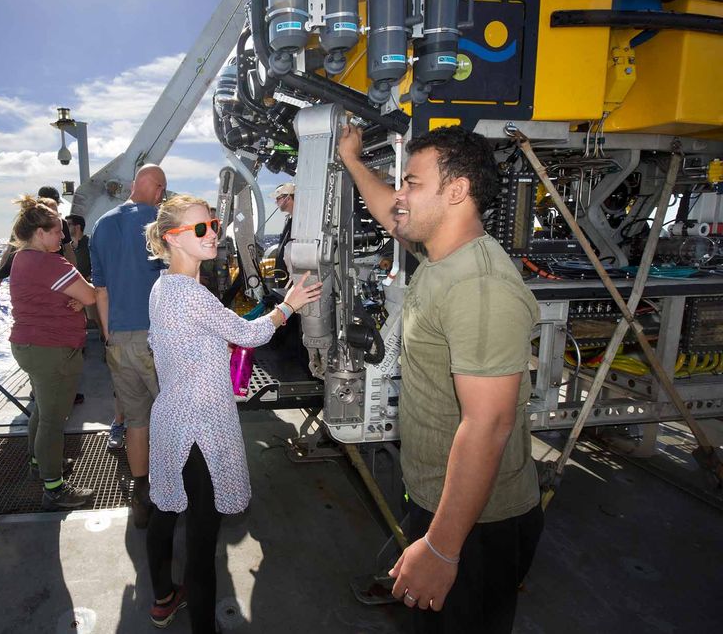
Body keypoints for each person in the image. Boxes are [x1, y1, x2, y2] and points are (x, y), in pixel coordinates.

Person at [338, 123, 543, 633]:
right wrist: (354, 161)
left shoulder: (480, 287)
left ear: (456, 192)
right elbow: (393, 214)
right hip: (442, 504)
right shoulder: (441, 258)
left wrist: (442, 547)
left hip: (477, 524)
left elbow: (488, 424)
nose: (400, 195)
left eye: (412, 183)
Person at [143, 194, 321, 632]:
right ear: (173, 239)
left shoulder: (162, 286)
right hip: (201, 428)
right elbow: (250, 333)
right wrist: (290, 305)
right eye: (201, 228)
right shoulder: (191, 294)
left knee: (165, 513)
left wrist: (205, 350)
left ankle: (163, 597)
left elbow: (163, 342)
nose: (213, 233)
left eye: (214, 223)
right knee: (203, 544)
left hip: (171, 418)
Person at [6, 195, 97, 510]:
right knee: (53, 421)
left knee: (42, 411)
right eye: (57, 231)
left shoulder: (21, 258)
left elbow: (67, 295)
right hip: (52, 351)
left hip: (29, 346)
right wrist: (82, 299)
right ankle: (54, 488)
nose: (63, 236)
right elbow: (89, 293)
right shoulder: (48, 262)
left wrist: (76, 299)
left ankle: (38, 464)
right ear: (40, 233)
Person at [89, 164, 167, 527]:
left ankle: (141, 493)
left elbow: (100, 291)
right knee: (172, 417)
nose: (161, 195)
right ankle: (173, 491)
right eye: (161, 189)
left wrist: (109, 335)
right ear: (157, 188)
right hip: (159, 338)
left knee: (137, 421)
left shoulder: (102, 224)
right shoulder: (160, 222)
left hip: (118, 339)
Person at [271, 182, 296, 284]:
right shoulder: (289, 220)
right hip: (284, 281)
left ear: (288, 198)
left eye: (278, 198)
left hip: (291, 282)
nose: (276, 202)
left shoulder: (299, 223)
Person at [66, 214, 91, 281]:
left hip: (88, 286)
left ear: (77, 227)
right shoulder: (67, 247)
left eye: (68, 224)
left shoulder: (91, 243)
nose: (65, 228)